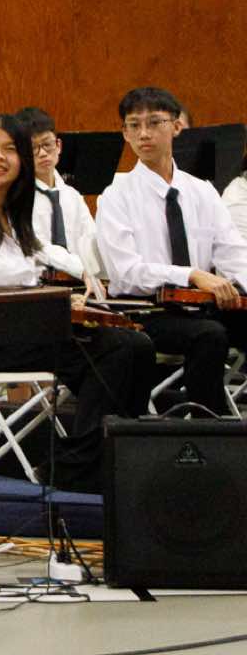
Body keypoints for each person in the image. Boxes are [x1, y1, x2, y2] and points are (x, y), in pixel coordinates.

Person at [0, 115, 154, 492]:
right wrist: (46, 307)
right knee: (116, 350)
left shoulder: (15, 219)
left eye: (10, 149)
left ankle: (108, 460)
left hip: (25, 333)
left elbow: (41, 260)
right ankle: (80, 470)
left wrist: (76, 286)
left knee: (138, 347)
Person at [95, 87, 247, 416]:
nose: (143, 133)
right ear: (125, 133)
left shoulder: (202, 191)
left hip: (202, 307)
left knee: (214, 328)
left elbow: (234, 254)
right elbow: (126, 273)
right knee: (209, 336)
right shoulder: (116, 195)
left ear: (177, 127)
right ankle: (207, 430)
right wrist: (191, 274)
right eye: (134, 125)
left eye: (154, 122)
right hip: (146, 311)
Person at [14, 107, 99, 285]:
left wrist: (94, 271)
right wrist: (82, 269)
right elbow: (38, 246)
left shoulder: (73, 196)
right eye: (33, 148)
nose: (43, 153)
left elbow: (91, 239)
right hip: (36, 287)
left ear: (58, 146)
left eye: (47, 144)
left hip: (80, 282)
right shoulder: (18, 197)